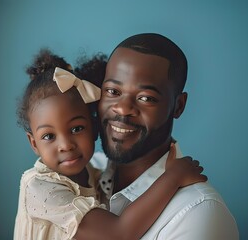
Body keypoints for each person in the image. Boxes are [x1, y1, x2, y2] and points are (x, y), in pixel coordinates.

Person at [13, 49, 207, 240]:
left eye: (76, 129)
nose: (66, 145)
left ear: (95, 127)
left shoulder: (96, 175)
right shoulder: (40, 188)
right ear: (34, 143)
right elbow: (118, 233)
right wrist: (173, 177)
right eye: (48, 136)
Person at [88, 33, 239, 239]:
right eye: (113, 91)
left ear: (178, 106)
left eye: (146, 98)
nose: (123, 109)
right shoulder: (81, 174)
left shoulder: (198, 214)